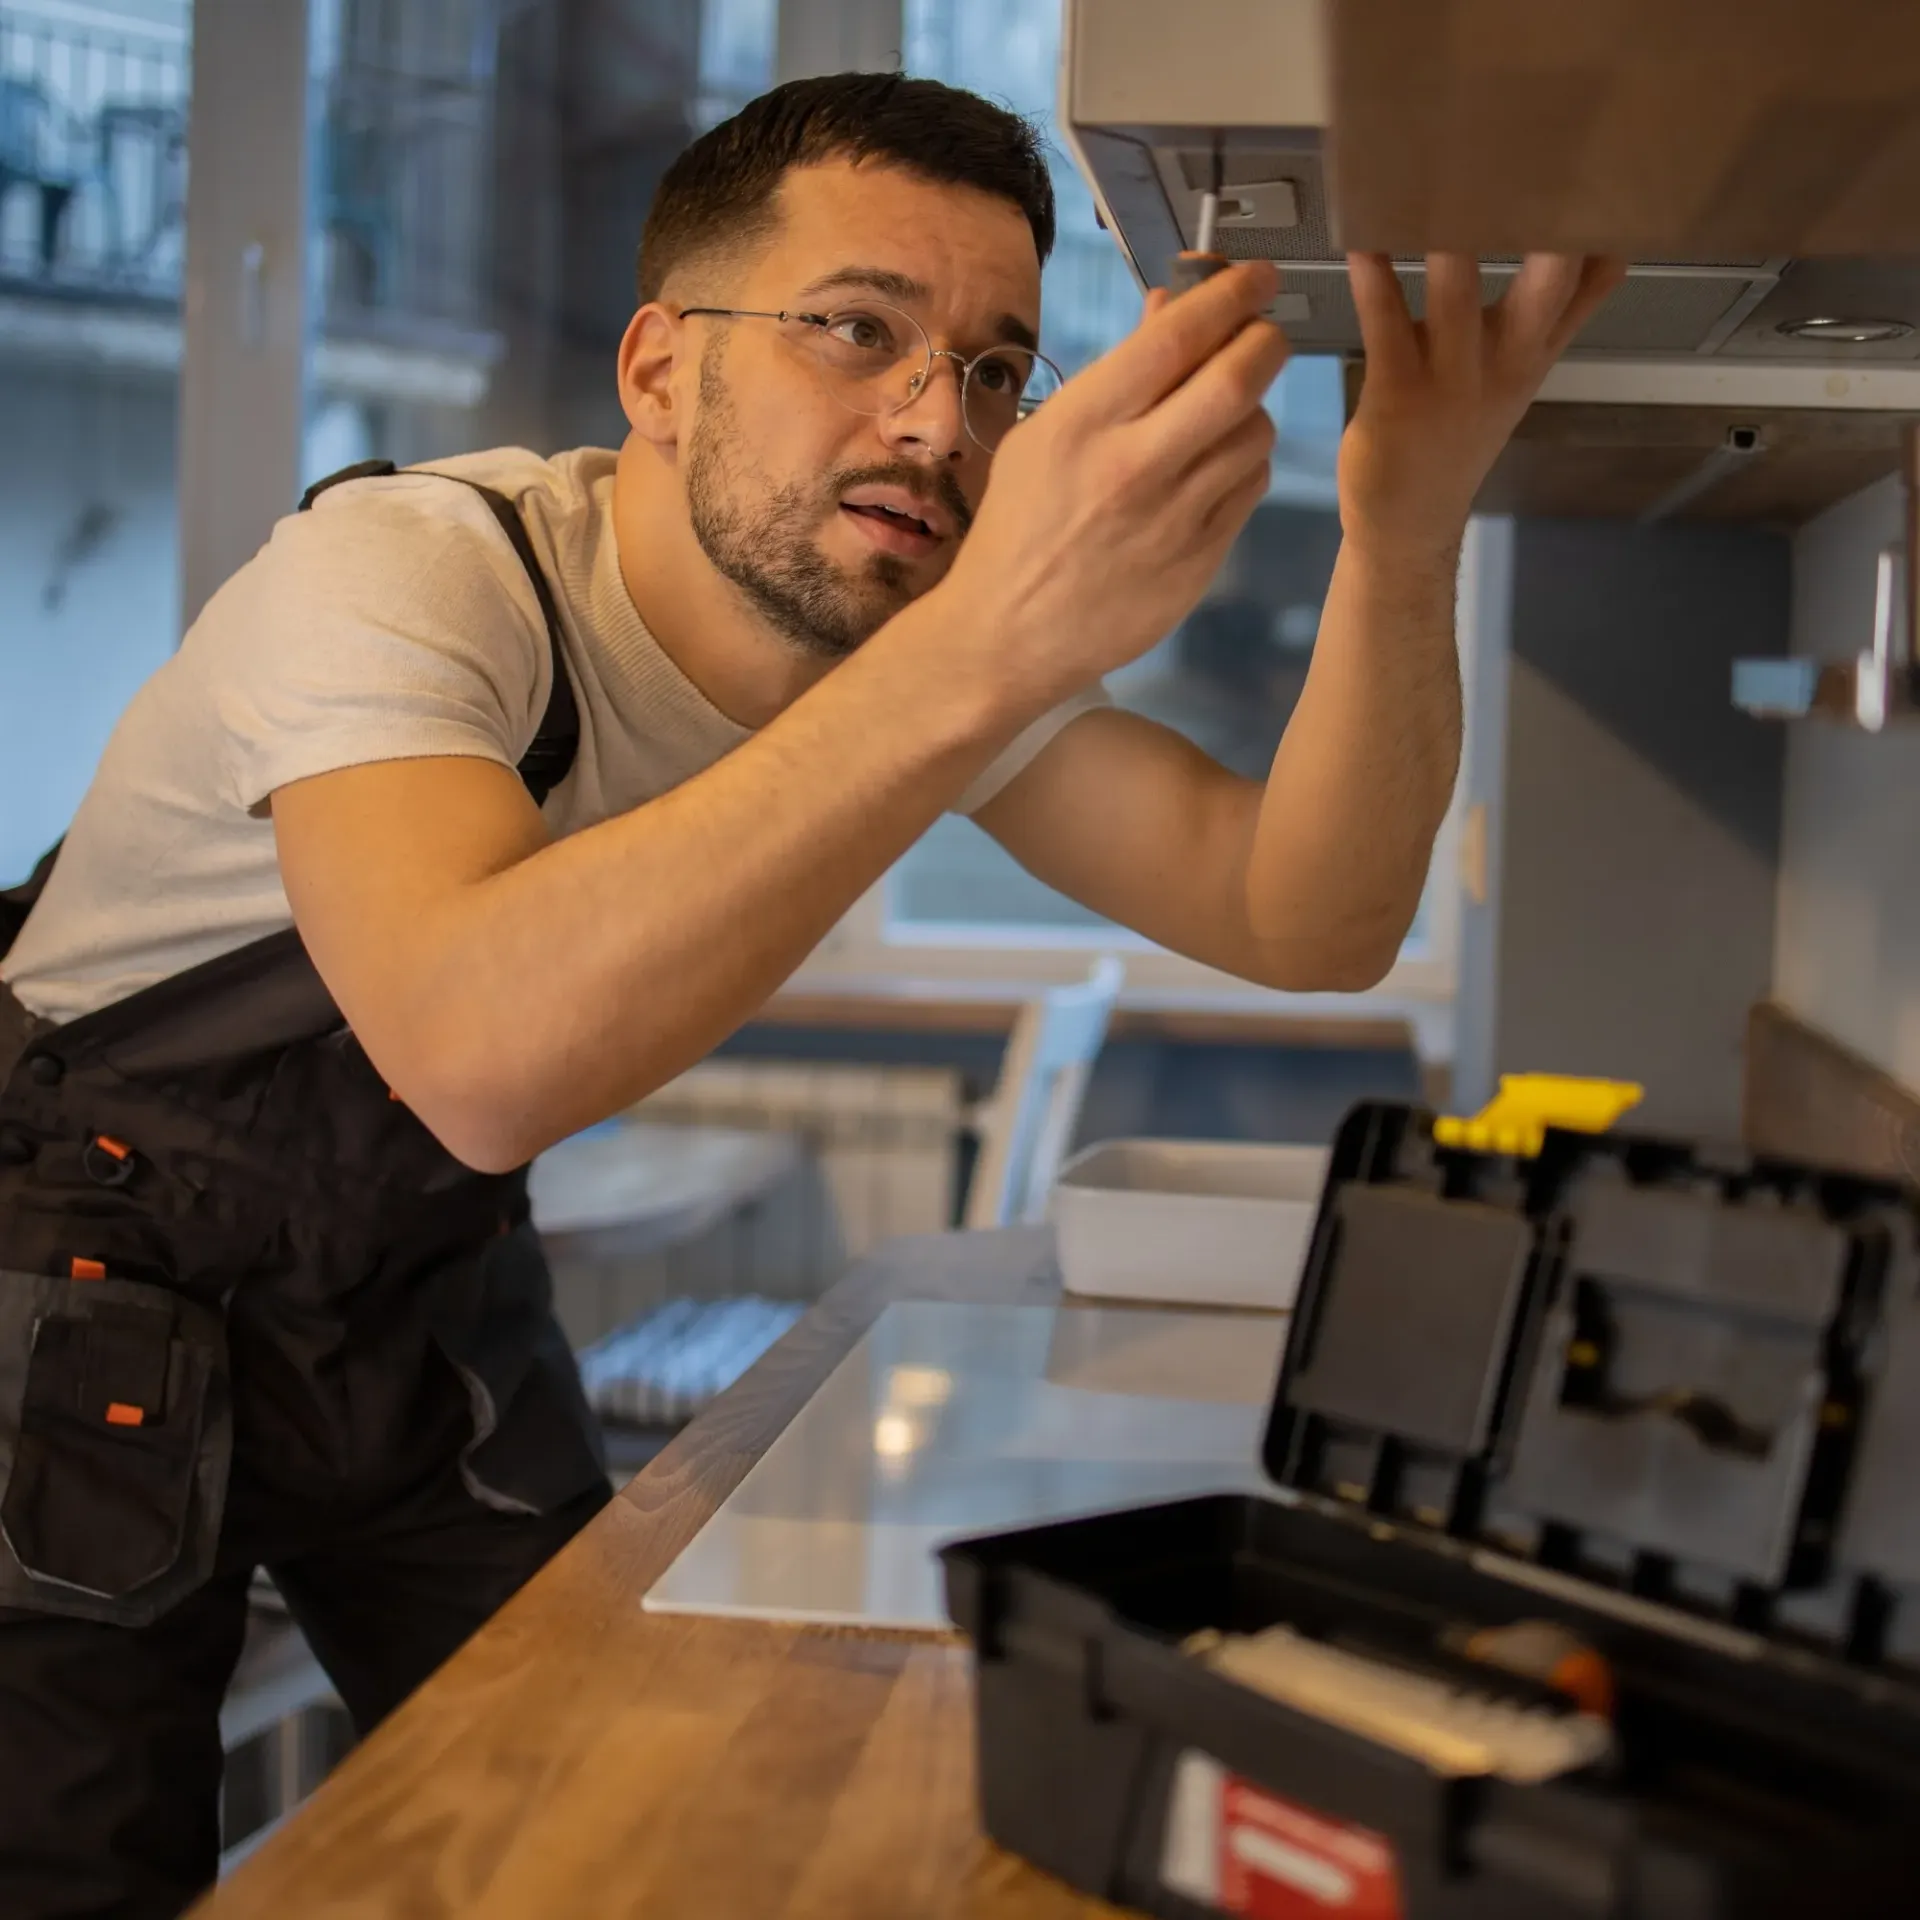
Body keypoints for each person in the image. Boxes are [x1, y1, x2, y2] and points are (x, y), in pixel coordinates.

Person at [0, 69, 1619, 1918]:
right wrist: (979, 662)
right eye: (859, 329)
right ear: (661, 369)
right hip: (66, 1251)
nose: (941, 420)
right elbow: (477, 1052)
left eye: (999, 369)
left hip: (402, 1277)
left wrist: (1405, 537)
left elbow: (1303, 912)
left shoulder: (899, 655)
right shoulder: (416, 577)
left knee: (598, 1805)